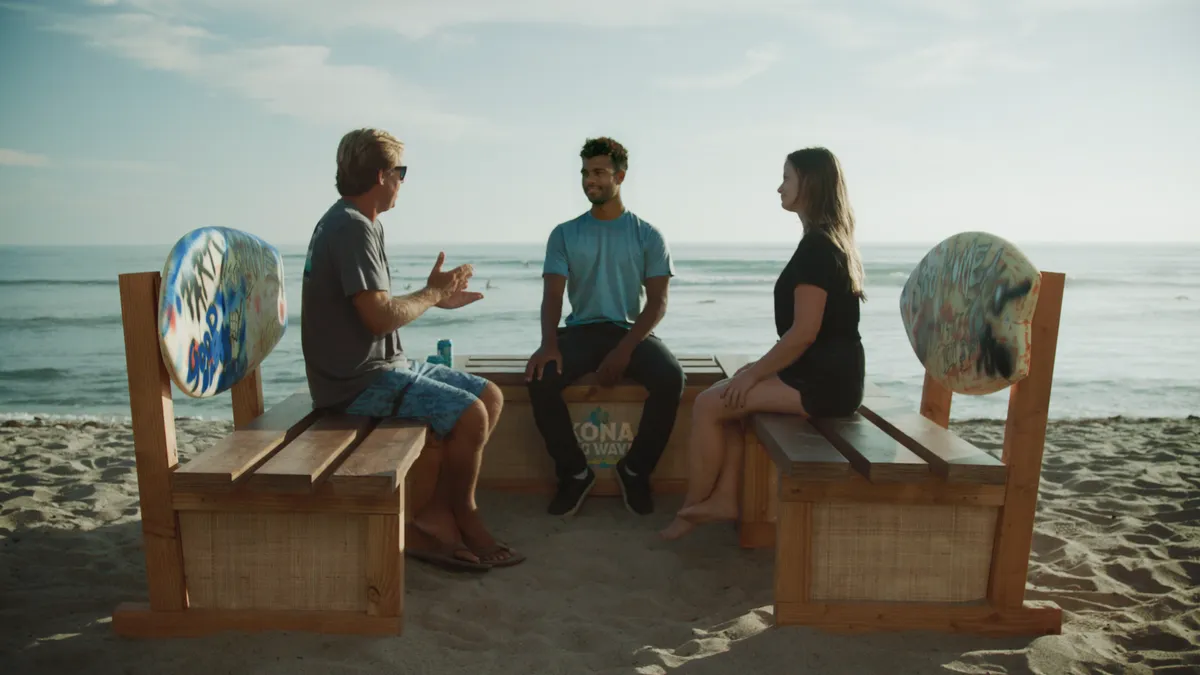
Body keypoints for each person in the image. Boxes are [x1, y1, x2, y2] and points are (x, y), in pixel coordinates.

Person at [301, 128, 523, 569]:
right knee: (469, 415)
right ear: (383, 175)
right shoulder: (351, 228)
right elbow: (379, 317)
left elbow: (374, 307)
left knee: (489, 395)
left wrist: (434, 297)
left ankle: (436, 512)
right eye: (402, 172)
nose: (404, 180)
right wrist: (432, 294)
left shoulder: (362, 223)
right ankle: (463, 514)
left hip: (382, 366)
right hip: (353, 383)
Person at [659, 146, 867, 540]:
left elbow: (804, 332)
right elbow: (811, 334)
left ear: (809, 183)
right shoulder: (827, 240)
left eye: (786, 178)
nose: (779, 187)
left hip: (826, 384)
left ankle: (688, 512)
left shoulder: (819, 246)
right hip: (823, 374)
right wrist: (755, 373)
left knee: (708, 404)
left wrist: (755, 374)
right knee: (731, 396)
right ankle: (721, 499)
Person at [525, 137, 684, 517]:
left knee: (671, 377)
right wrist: (549, 344)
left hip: (630, 331)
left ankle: (635, 469)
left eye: (597, 172)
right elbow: (552, 296)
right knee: (539, 377)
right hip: (581, 331)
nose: (588, 180)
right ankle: (575, 473)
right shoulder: (564, 233)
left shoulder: (647, 234)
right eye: (584, 172)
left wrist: (625, 350)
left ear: (620, 176)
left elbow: (658, 303)